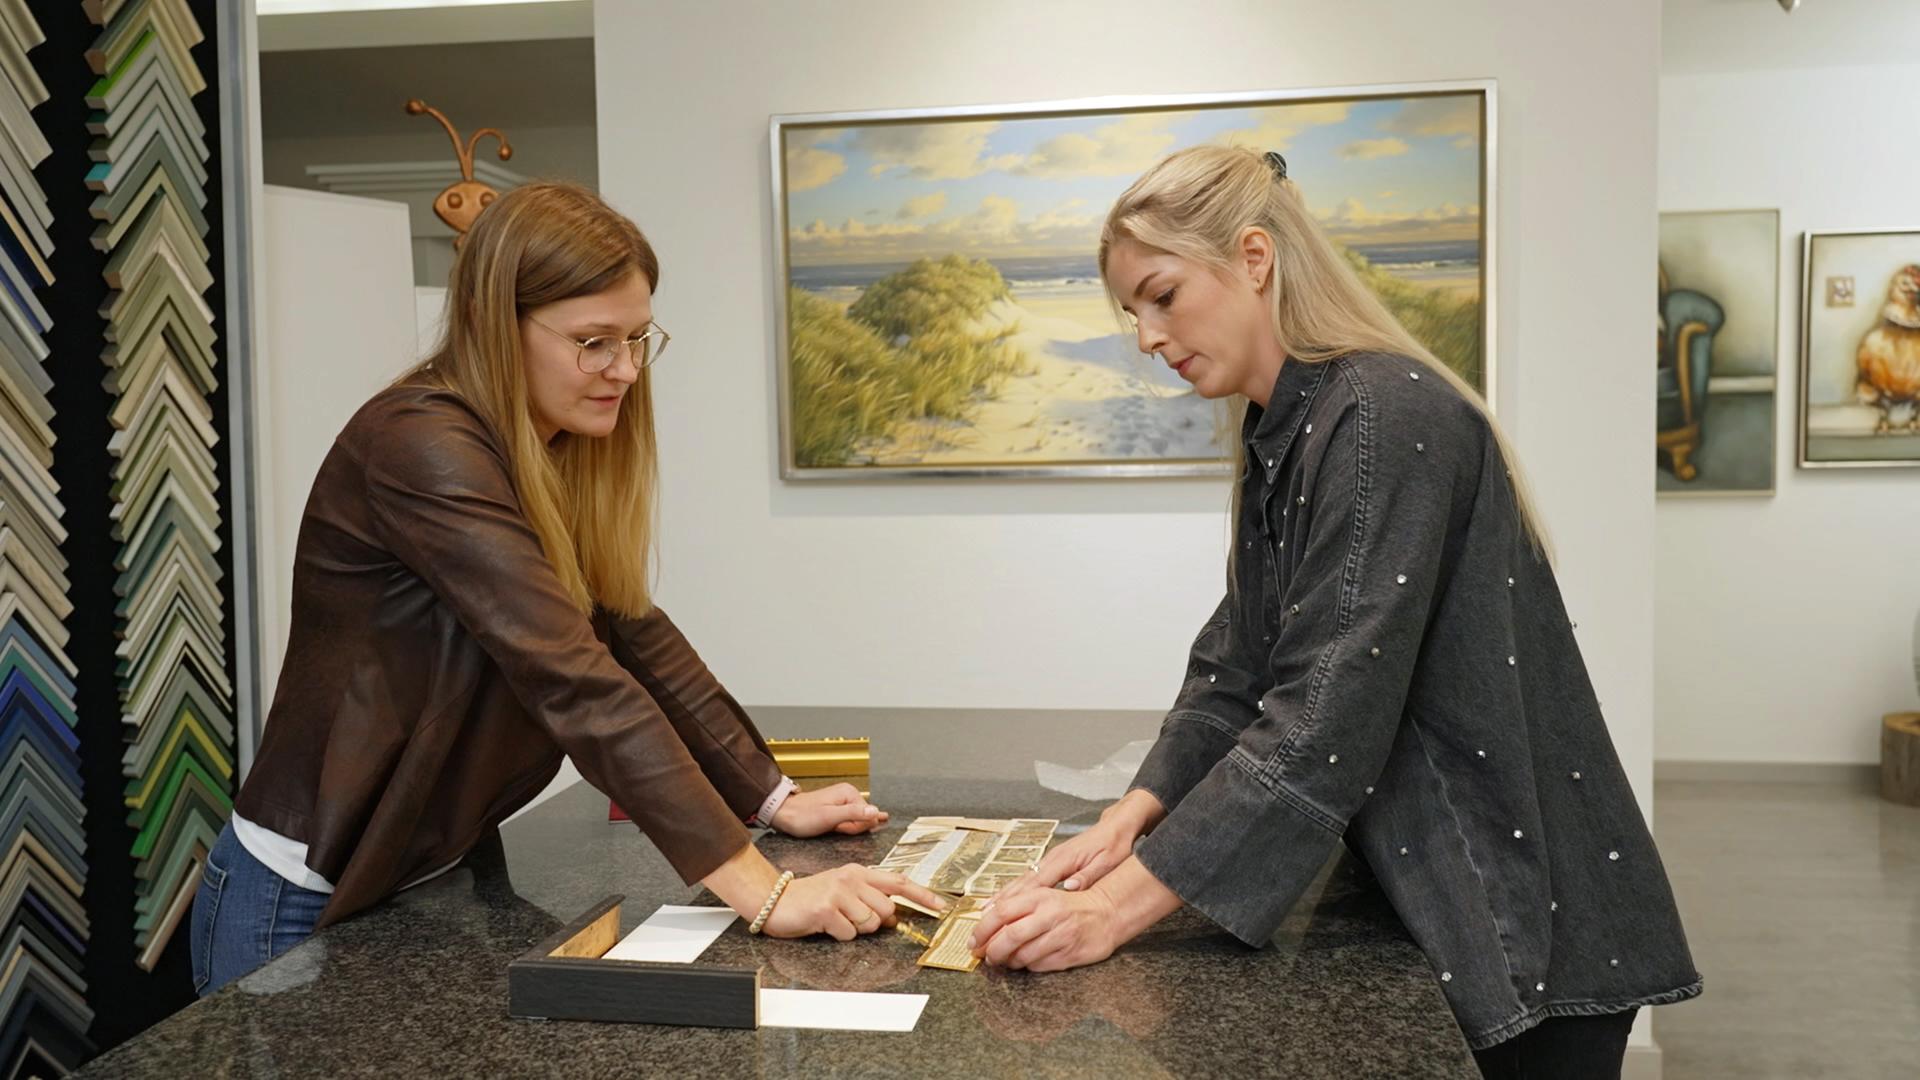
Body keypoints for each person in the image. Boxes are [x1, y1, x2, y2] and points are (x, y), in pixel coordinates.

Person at [970, 147, 1699, 1077]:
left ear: (1254, 258)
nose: (1147, 337)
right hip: (1438, 884)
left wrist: (1113, 910)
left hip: (1517, 912)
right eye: (1132, 313)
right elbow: (1238, 664)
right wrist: (1134, 817)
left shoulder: (1384, 417)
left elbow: (1325, 712)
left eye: (1162, 296)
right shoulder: (1289, 425)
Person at [191, 181, 942, 997]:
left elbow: (630, 630)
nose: (625, 370)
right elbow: (572, 675)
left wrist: (770, 796)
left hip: (430, 868)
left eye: (636, 339)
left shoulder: (544, 444)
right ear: (493, 321)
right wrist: (766, 892)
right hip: (302, 898)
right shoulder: (420, 445)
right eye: (593, 343)